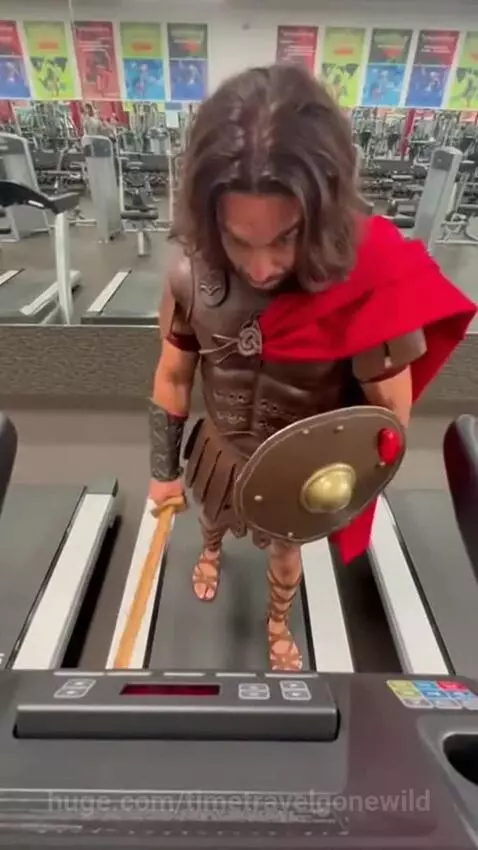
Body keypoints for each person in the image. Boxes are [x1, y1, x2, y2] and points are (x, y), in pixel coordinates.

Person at [148, 64, 476, 672]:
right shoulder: (191, 274)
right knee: (209, 514)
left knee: (284, 554)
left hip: (296, 465)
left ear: (320, 213)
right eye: (238, 238)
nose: (262, 265)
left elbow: (387, 423)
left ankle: (277, 623)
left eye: (284, 237)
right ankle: (211, 553)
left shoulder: (368, 289)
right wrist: (163, 472)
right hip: (218, 446)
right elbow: (173, 377)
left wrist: (337, 485)